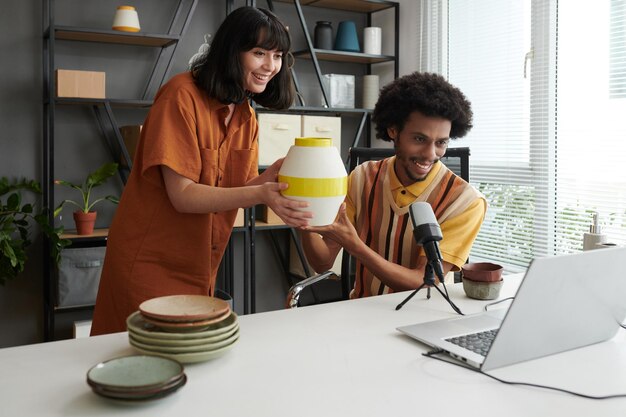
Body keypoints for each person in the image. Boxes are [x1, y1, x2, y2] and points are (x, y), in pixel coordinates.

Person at [91, 7, 310, 335]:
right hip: (149, 261)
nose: (271, 66)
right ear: (231, 51)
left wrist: (265, 182)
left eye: (277, 55)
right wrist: (260, 192)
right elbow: (183, 195)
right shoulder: (181, 96)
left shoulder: (245, 115)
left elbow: (227, 191)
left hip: (200, 264)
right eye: (259, 53)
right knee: (141, 360)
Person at [300, 72, 486, 298]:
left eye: (441, 143)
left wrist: (356, 247)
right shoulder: (362, 178)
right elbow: (322, 262)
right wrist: (302, 221)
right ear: (393, 130)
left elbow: (424, 282)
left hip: (422, 318)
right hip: (361, 314)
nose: (430, 154)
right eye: (419, 139)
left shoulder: (465, 202)